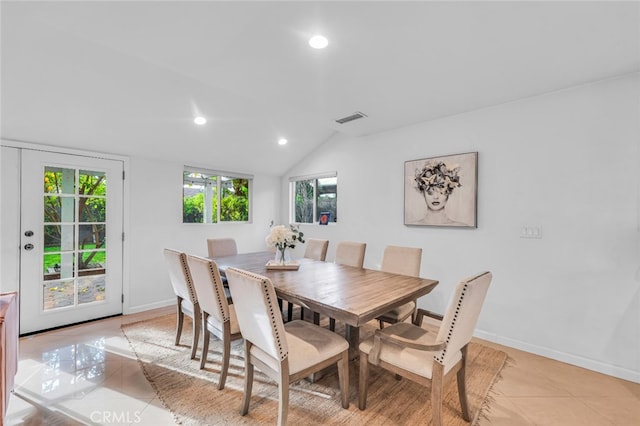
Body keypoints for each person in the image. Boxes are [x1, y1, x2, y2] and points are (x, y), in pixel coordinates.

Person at [413, 161, 463, 225]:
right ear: (423, 192)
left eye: (441, 191)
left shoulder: (460, 225)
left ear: (449, 191)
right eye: (430, 191)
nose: (435, 197)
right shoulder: (414, 225)